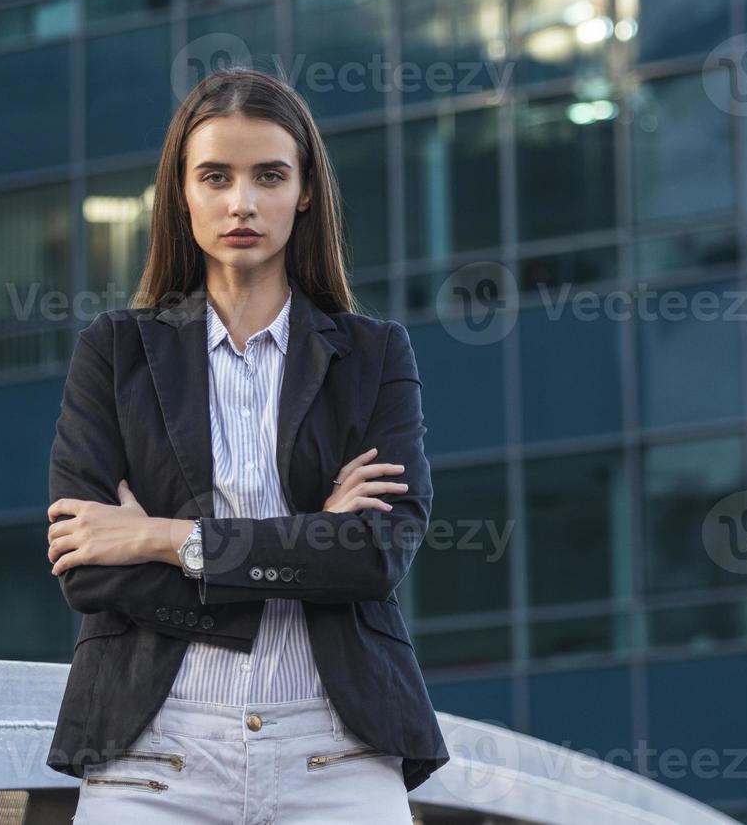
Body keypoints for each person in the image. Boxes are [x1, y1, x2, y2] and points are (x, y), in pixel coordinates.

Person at [44, 67, 449, 823]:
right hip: (153, 758)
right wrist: (309, 542)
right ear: (183, 194)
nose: (242, 202)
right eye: (215, 177)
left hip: (337, 753)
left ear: (303, 192)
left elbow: (373, 555)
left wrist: (164, 538)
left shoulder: (373, 357)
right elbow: (87, 571)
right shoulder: (115, 352)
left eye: (268, 176)